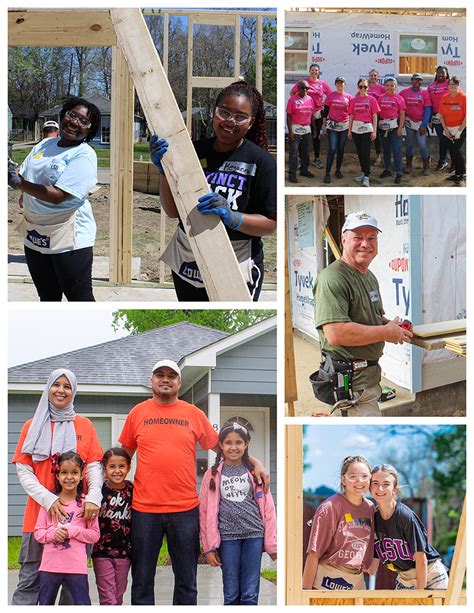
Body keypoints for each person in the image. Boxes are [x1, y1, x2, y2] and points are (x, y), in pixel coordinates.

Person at [118, 359, 270, 605]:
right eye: (160, 375)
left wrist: (255, 462)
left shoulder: (192, 414)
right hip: (145, 509)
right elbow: (123, 457)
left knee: (187, 581)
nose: (165, 379)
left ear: (179, 382)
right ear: (152, 380)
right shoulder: (138, 413)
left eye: (171, 375)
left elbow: (222, 447)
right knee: (143, 578)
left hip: (185, 510)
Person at [149, 81, 276, 302]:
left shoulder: (260, 162)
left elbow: (270, 224)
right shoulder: (193, 152)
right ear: (213, 112)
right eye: (224, 112)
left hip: (237, 259)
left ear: (251, 122)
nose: (230, 121)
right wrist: (164, 172)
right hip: (189, 257)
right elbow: (172, 211)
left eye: (240, 117)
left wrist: (234, 218)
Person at [11, 368, 103, 605]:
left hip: (79, 518)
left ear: (73, 391)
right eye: (56, 384)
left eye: (67, 386)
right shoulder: (32, 426)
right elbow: (24, 470)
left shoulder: (84, 426)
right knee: (30, 583)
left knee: (73, 590)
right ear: (48, 388)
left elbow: (93, 467)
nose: (61, 390)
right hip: (38, 518)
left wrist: (93, 496)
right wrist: (49, 500)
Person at [312, 211, 413, 416]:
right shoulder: (333, 278)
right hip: (351, 387)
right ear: (343, 240)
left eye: (371, 238)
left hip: (367, 381)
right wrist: (385, 332)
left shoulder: (369, 276)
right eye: (357, 237)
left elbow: (372, 318)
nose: (365, 244)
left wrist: (393, 327)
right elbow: (336, 333)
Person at [7, 96, 101, 301]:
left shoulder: (84, 155)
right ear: (63, 115)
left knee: (79, 298)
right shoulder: (45, 144)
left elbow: (59, 196)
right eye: (72, 115)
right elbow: (26, 172)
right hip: (35, 233)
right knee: (47, 297)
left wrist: (19, 184)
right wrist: (22, 189)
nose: (75, 122)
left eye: (83, 121)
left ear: (90, 129)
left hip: (69, 238)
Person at [199, 421, 277, 605]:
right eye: (228, 443)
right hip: (228, 539)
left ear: (246, 444)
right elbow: (204, 513)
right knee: (231, 592)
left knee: (250, 593)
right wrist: (209, 547)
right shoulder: (212, 474)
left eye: (238, 442)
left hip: (253, 536)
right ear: (220, 446)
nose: (233, 447)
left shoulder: (255, 472)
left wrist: (273, 545)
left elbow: (269, 509)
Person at [34, 451, 100, 605]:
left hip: (76, 567)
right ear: (57, 475)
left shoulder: (87, 504)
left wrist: (73, 531)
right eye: (64, 472)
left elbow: (94, 535)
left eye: (74, 472)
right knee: (45, 603)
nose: (69, 477)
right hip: (50, 567)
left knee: (82, 604)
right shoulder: (49, 503)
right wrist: (53, 534)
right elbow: (38, 533)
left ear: (82, 475)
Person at [370, 464, 449, 590]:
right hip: (405, 577)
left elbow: (421, 559)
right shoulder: (374, 518)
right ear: (369, 487)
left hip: (429, 574)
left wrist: (420, 594)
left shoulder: (404, 516)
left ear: (395, 489)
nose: (380, 488)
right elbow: (372, 567)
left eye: (386, 484)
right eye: (375, 483)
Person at [302, 455, 376, 590]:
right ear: (343, 480)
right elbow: (314, 553)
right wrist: (306, 594)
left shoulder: (370, 508)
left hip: (357, 581)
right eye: (353, 476)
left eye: (365, 476)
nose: (360, 481)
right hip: (328, 581)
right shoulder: (329, 508)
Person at [92, 448, 133, 605]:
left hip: (124, 552)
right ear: (104, 468)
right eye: (112, 467)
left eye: (121, 466)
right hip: (102, 551)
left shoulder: (133, 490)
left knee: (118, 596)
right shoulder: (98, 491)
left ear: (128, 467)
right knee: (108, 598)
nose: (117, 471)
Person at [290, 64, 332, 168]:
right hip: (304, 113)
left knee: (316, 136)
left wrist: (324, 106)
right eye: (312, 70)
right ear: (309, 71)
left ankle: (317, 159)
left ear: (318, 72)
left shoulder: (322, 84)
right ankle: (300, 159)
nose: (314, 72)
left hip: (317, 113)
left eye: (316, 70)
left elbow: (330, 96)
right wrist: (300, 102)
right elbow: (292, 93)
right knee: (300, 136)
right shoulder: (303, 82)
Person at [348, 79, 380, 187]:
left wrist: (374, 131)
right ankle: (363, 172)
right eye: (361, 86)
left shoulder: (372, 99)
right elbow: (351, 115)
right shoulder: (353, 100)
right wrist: (349, 130)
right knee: (360, 153)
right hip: (356, 129)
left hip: (367, 128)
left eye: (365, 87)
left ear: (368, 88)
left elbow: (375, 115)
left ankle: (367, 176)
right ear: (358, 87)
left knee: (366, 153)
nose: (363, 89)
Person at [322, 76, 353, 183]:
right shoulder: (330, 96)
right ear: (335, 84)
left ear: (345, 84)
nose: (340, 85)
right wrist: (324, 126)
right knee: (332, 149)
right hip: (332, 126)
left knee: (340, 149)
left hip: (344, 126)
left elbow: (351, 114)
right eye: (338, 83)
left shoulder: (349, 97)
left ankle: (338, 170)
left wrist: (350, 128)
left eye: (342, 83)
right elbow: (325, 112)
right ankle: (327, 173)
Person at [400, 74, 432, 176]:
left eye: (420, 80)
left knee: (422, 144)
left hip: (420, 123)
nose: (418, 81)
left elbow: (428, 110)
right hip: (409, 122)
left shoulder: (424, 93)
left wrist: (424, 125)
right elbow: (398, 104)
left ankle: (426, 165)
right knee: (409, 144)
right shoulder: (404, 92)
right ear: (411, 80)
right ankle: (409, 165)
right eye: (416, 79)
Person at [377, 77, 406, 185]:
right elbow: (378, 113)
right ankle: (387, 169)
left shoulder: (399, 98)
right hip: (383, 127)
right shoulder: (380, 98)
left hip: (395, 127)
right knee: (386, 149)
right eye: (387, 85)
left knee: (396, 150)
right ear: (385, 87)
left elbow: (402, 114)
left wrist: (400, 128)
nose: (389, 87)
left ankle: (398, 172)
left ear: (395, 86)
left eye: (392, 85)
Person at [286, 80, 316, 183]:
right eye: (303, 88)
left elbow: (312, 115)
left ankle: (304, 170)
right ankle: (292, 174)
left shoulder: (310, 99)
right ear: (298, 89)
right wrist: (290, 131)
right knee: (294, 152)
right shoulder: (292, 100)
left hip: (306, 128)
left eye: (307, 88)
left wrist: (314, 129)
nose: (305, 90)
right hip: (295, 128)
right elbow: (289, 116)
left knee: (305, 152)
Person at [439, 76, 466, 186]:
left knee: (456, 150)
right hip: (448, 129)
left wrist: (460, 130)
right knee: (452, 151)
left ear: (458, 86)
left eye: (454, 85)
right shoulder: (444, 97)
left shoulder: (463, 98)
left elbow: (467, 116)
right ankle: (457, 173)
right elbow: (441, 115)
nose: (452, 87)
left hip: (460, 128)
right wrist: (445, 130)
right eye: (450, 85)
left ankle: (463, 174)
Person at [427, 66, 451, 171]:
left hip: (450, 116)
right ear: (436, 74)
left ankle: (455, 163)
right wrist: (429, 117)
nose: (441, 74)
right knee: (442, 139)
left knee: (451, 139)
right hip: (436, 116)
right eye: (439, 72)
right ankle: (443, 161)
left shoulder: (450, 83)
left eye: (443, 72)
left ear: (446, 74)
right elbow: (428, 102)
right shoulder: (431, 86)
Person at [367, 69, 386, 167]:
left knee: (377, 136)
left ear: (378, 77)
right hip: (366, 116)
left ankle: (378, 156)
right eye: (371, 75)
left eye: (375, 75)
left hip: (377, 115)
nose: (373, 77)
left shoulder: (382, 88)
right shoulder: (366, 87)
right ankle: (366, 156)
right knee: (366, 136)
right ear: (369, 77)